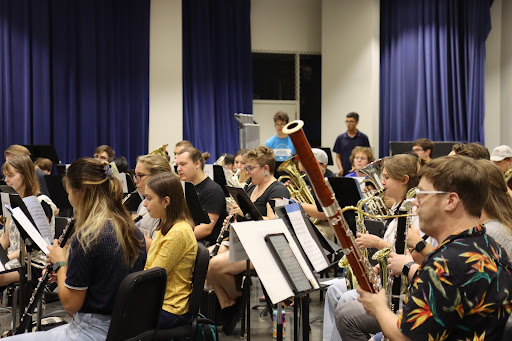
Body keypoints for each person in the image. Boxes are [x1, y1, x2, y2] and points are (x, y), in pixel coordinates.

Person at [357, 155, 512, 341]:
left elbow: (405, 337)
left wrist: (378, 307)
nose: (415, 202)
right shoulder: (492, 246)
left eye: (422, 194)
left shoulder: (446, 264)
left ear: (451, 201)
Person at [4, 158, 147, 341]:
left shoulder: (88, 236)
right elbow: (106, 277)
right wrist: (68, 275)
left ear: (81, 192)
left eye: (69, 192)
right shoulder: (132, 229)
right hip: (123, 328)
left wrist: (61, 262)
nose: (68, 198)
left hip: (90, 332)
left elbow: (71, 305)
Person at [325, 154, 426, 341]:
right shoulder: (399, 207)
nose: (382, 182)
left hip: (399, 289)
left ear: (404, 180)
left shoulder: (413, 213)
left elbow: (410, 256)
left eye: (387, 177)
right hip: (386, 278)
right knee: (335, 290)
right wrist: (376, 268)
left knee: (346, 302)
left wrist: (376, 242)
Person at [207, 146, 290, 335]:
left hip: (265, 248)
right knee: (203, 258)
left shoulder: (278, 190)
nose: (247, 172)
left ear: (266, 169)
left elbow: (275, 223)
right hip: (244, 241)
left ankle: (233, 299)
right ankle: (228, 300)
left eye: (251, 168)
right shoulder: (251, 187)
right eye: (247, 168)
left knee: (214, 266)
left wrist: (246, 213)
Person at [143, 173, 197, 329]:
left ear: (166, 201)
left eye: (149, 198)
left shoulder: (178, 232)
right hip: (159, 302)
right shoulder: (164, 225)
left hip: (170, 308)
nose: (145, 204)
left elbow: (153, 276)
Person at [0, 155, 56, 287]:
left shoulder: (41, 202)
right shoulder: (10, 200)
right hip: (15, 261)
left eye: (11, 175)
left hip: (35, 264)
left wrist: (6, 259)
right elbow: (6, 237)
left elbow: (37, 245)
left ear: (25, 175)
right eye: (5, 176)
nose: (6, 180)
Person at [175, 147, 227, 246]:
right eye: (177, 165)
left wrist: (176, 240)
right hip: (191, 239)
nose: (178, 169)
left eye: (183, 164)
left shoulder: (212, 190)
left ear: (197, 164)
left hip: (205, 244)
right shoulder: (187, 187)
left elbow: (206, 229)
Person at [133, 154, 172, 239]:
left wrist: (130, 232)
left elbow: (158, 248)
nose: (135, 181)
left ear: (157, 177)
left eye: (140, 175)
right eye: (135, 175)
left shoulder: (165, 209)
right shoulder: (143, 204)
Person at [333, 112, 370, 176]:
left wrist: (357, 167)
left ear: (357, 122)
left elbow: (368, 156)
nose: (348, 124)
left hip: (359, 172)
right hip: (344, 172)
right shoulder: (340, 138)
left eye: (351, 122)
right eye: (347, 121)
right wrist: (340, 168)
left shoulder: (363, 137)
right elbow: (338, 157)